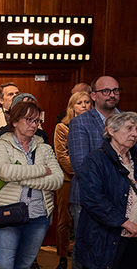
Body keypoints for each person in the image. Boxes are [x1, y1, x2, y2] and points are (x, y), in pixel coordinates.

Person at [0, 101, 63, 269]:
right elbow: (5, 172)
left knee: (24, 265)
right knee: (4, 266)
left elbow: (57, 180)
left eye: (37, 121)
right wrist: (42, 170)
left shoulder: (44, 148)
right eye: (29, 119)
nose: (34, 124)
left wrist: (20, 177)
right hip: (7, 213)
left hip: (38, 216)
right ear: (14, 121)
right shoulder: (1, 145)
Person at [68, 76, 123, 269]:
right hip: (87, 200)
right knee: (87, 253)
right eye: (106, 91)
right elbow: (81, 166)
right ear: (93, 95)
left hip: (124, 200)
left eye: (115, 90)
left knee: (118, 252)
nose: (112, 95)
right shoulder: (80, 123)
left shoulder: (129, 120)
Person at [75, 112, 137, 269]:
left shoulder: (135, 158)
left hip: (133, 237)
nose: (135, 134)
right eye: (129, 128)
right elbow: (93, 199)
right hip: (104, 238)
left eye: (136, 129)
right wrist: (124, 222)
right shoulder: (95, 160)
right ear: (111, 131)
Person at [53, 91, 91, 269]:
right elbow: (61, 155)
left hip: (91, 181)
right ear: (72, 107)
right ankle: (62, 257)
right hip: (69, 179)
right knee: (65, 220)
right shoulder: (63, 127)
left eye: (87, 102)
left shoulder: (96, 126)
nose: (84, 105)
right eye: (79, 103)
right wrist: (81, 172)